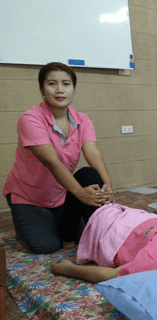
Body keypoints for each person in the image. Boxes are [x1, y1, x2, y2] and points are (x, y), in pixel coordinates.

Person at [2, 62, 113, 254]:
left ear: (73, 89)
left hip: (61, 192)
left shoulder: (82, 119)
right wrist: (80, 194)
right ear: (42, 89)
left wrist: (108, 184)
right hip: (29, 196)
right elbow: (51, 161)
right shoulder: (30, 119)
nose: (60, 90)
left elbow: (92, 151)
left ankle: (102, 239)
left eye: (66, 84)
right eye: (52, 83)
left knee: (89, 176)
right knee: (47, 246)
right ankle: (26, 223)